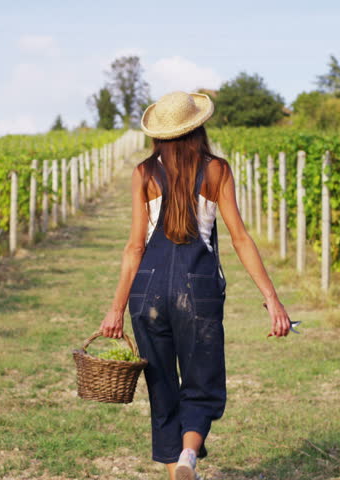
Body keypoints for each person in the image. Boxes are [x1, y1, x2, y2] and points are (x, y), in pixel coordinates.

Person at [99, 90, 294, 480]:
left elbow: (135, 247)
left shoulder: (144, 173)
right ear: (198, 127)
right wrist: (272, 299)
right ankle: (188, 456)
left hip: (147, 290)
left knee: (162, 385)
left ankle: (176, 470)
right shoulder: (216, 170)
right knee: (201, 380)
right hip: (197, 287)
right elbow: (239, 237)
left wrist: (116, 308)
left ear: (159, 134)